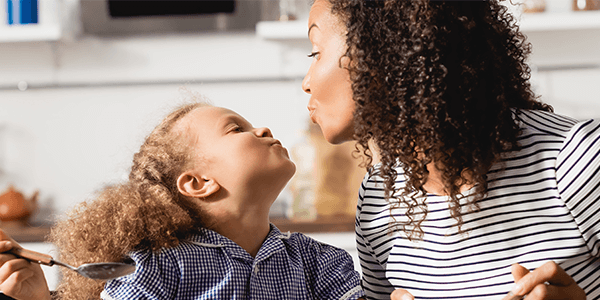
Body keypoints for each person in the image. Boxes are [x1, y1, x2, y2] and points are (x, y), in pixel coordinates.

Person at [301, 0, 598, 299]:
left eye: (316, 53)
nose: (306, 82)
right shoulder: (377, 199)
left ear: (379, 56)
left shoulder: (576, 159)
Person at [0, 101, 365, 300]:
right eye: (236, 128)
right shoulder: (155, 268)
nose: (264, 129)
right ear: (198, 182)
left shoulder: (319, 262)